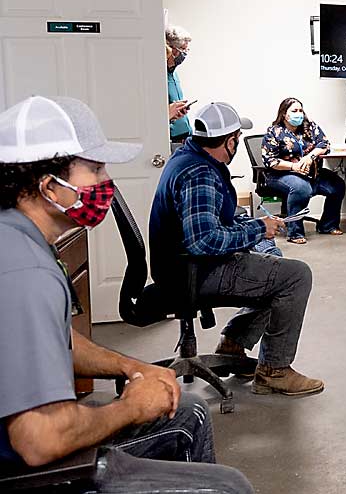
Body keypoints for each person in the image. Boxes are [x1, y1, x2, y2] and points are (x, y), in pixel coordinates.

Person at [0, 95, 252, 493]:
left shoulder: (16, 236)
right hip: (18, 468)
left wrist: (129, 366)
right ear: (48, 185)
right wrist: (131, 406)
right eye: (95, 168)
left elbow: (57, 342)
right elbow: (40, 438)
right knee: (228, 486)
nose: (106, 184)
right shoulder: (26, 270)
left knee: (188, 414)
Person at [149, 102, 324, 397]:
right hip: (192, 273)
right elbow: (203, 241)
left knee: (273, 261)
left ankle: (233, 342)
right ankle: (274, 371)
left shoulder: (190, 156)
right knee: (295, 276)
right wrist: (257, 229)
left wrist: (254, 225)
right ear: (230, 141)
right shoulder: (199, 174)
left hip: (187, 266)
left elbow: (213, 217)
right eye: (238, 139)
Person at [262, 97, 346, 244]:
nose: (299, 114)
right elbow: (270, 160)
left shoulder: (310, 127)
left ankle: (327, 225)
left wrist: (309, 157)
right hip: (282, 174)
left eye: (300, 110)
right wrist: (294, 166)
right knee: (301, 188)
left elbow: (324, 143)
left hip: (312, 173)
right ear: (284, 114)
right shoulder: (274, 132)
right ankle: (295, 232)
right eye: (294, 111)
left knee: (337, 185)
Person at [166, 25, 193, 146]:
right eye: (182, 49)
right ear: (170, 48)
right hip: (172, 139)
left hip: (185, 137)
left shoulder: (174, 73)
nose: (184, 54)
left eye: (187, 50)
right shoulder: (157, 77)